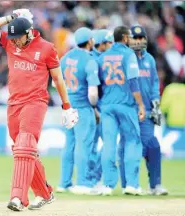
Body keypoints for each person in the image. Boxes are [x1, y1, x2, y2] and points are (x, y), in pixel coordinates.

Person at [0, 9, 79, 211]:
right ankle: (45, 193)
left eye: (19, 38)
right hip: (14, 103)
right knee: (23, 150)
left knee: (25, 145)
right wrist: (11, 17)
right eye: (13, 38)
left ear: (30, 32)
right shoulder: (9, 41)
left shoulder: (46, 48)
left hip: (36, 102)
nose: (15, 42)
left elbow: (58, 79)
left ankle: (18, 198)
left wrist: (67, 107)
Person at [119, 25, 168, 196]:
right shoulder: (125, 58)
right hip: (129, 109)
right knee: (126, 146)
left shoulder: (150, 60)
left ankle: (155, 185)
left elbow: (155, 84)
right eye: (135, 38)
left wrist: (156, 106)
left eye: (141, 38)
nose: (139, 41)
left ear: (146, 40)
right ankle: (127, 185)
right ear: (129, 40)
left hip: (146, 111)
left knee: (152, 146)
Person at [97, 25, 145, 196]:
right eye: (130, 37)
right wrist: (140, 104)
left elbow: (98, 84)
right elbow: (133, 81)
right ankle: (132, 184)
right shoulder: (128, 54)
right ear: (125, 38)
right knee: (132, 141)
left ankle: (108, 185)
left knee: (108, 143)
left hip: (107, 106)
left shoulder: (103, 57)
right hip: (125, 105)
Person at [57, 27, 101, 195]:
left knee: (69, 145)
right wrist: (94, 108)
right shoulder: (90, 61)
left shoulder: (65, 58)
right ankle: (82, 183)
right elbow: (92, 93)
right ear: (90, 41)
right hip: (83, 108)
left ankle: (64, 182)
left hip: (68, 107)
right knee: (84, 145)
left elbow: (56, 84)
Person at [86, 29, 114, 188]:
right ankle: (92, 179)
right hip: (96, 108)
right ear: (101, 44)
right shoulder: (94, 60)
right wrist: (95, 108)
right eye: (109, 42)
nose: (111, 45)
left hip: (103, 107)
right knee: (94, 145)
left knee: (104, 144)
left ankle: (94, 178)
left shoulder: (100, 58)